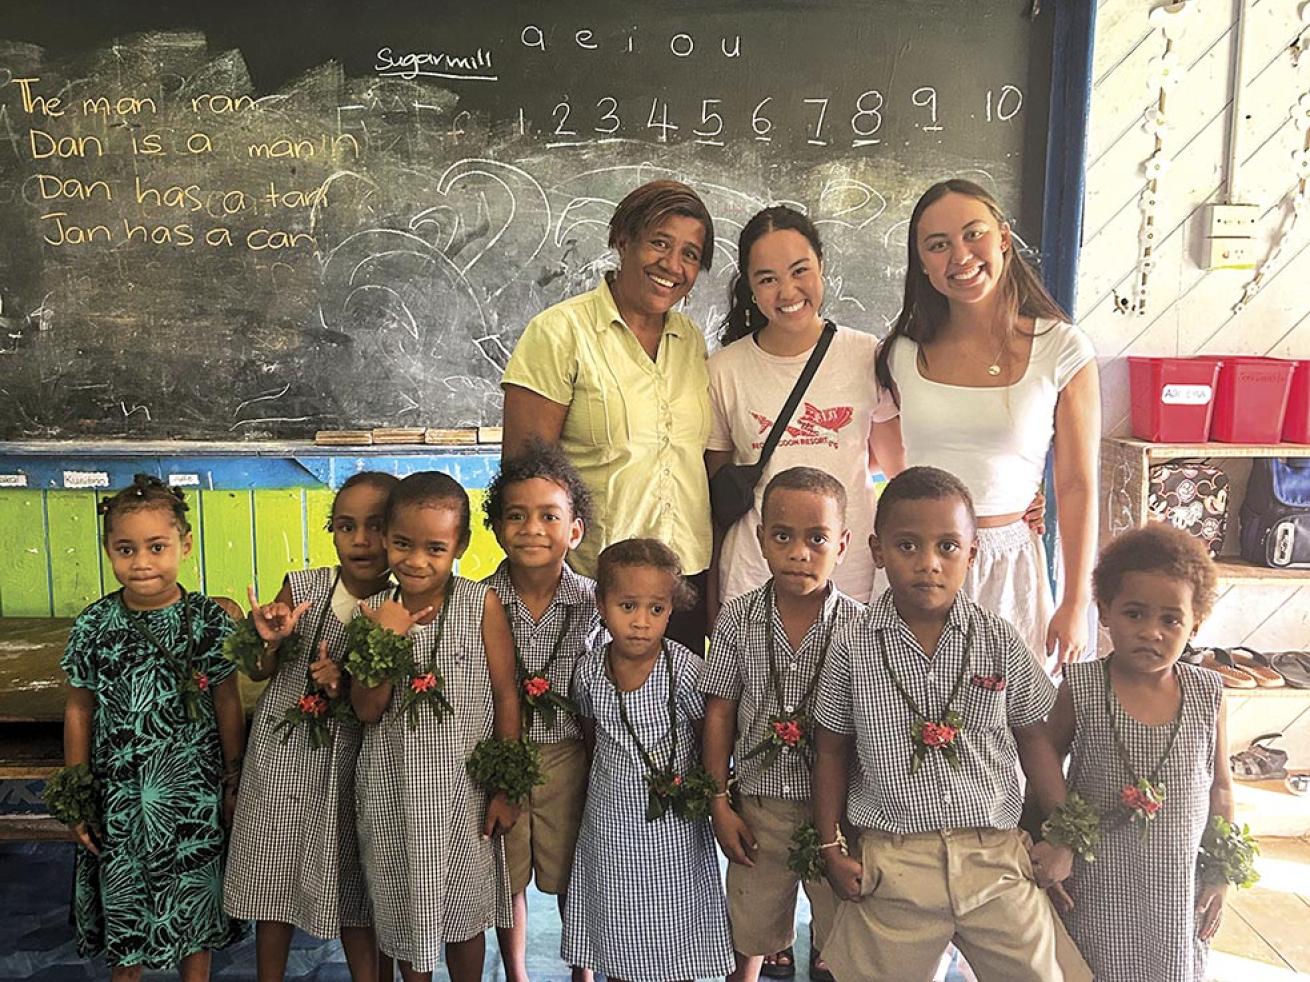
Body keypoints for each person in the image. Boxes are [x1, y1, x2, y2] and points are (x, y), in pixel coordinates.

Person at [811, 466, 1090, 982]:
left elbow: (1035, 738)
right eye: (907, 546)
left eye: (947, 547)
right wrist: (831, 847)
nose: (928, 564)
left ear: (973, 554)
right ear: (876, 551)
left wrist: (1062, 837)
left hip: (995, 855)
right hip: (896, 860)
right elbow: (830, 749)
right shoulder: (850, 647)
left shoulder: (998, 640)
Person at [873, 179, 1100, 670]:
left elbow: (1079, 484)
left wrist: (1076, 602)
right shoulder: (900, 353)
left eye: (973, 234)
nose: (960, 255)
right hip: (917, 562)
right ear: (923, 263)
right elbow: (887, 458)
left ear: (1003, 238)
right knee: (900, 719)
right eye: (938, 245)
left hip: (1009, 567)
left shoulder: (1063, 349)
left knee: (1011, 730)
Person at [501, 179, 717, 651]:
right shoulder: (560, 333)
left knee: (679, 721)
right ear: (623, 239)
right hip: (597, 587)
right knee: (595, 720)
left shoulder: (692, 342)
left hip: (683, 584)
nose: (672, 265)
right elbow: (524, 474)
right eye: (659, 243)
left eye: (690, 254)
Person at [56, 474, 245, 981]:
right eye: (125, 549)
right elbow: (79, 708)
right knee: (126, 916)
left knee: (195, 912)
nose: (141, 561)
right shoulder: (94, 626)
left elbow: (226, 701)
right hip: (120, 800)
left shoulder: (208, 621)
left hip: (193, 797)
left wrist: (232, 779)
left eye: (156, 546)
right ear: (108, 551)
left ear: (184, 545)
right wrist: (79, 792)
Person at [223, 472, 398, 981]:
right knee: (272, 882)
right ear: (332, 531)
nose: (361, 540)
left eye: (376, 526)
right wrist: (272, 639)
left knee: (357, 893)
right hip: (283, 761)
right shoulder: (303, 588)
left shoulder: (399, 607)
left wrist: (347, 680)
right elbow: (258, 669)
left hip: (354, 765)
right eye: (346, 526)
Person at [1043, 524, 1236, 981]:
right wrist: (1052, 845)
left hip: (1176, 892)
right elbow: (1042, 764)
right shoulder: (1083, 687)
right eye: (1134, 614)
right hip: (1093, 886)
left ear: (1196, 624)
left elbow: (1223, 790)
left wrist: (1220, 872)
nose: (1151, 632)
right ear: (1105, 611)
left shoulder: (1209, 694)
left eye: (1171, 619)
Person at [350, 472, 521, 982]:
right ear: (384, 538)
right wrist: (385, 640)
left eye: (435, 548)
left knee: (463, 917)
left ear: (461, 545)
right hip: (391, 794)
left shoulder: (480, 606)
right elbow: (366, 708)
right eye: (402, 544)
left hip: (462, 796)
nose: (416, 560)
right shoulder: (375, 613)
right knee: (405, 916)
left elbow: (507, 695)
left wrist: (506, 788)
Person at [701, 467, 865, 982]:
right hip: (758, 810)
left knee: (843, 931)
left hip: (836, 816)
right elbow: (720, 710)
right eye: (783, 536)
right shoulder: (736, 619)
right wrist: (719, 802)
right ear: (761, 540)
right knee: (749, 929)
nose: (799, 552)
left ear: (843, 543)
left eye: (817, 538)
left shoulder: (863, 628)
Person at [706, 205, 902, 617]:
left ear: (821, 267)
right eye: (768, 279)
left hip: (849, 580)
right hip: (753, 582)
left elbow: (900, 472)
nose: (788, 292)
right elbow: (717, 494)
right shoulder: (724, 369)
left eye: (800, 271)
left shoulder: (866, 354)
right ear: (751, 288)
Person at [561, 539, 735, 981]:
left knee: (676, 930)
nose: (641, 622)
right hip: (610, 826)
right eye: (627, 606)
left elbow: (707, 737)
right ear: (601, 603)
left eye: (656, 609)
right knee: (617, 930)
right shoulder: (587, 672)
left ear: (672, 608)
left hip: (673, 833)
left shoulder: (690, 671)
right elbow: (589, 735)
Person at [481, 441, 603, 982]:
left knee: (576, 869)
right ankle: (516, 972)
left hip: (569, 756)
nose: (532, 528)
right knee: (506, 871)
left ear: (574, 531)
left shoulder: (596, 601)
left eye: (549, 516)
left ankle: (582, 970)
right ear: (498, 528)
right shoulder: (476, 600)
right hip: (497, 754)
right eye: (517, 516)